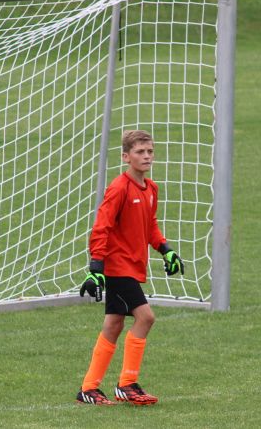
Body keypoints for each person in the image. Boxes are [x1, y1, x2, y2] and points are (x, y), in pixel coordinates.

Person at [76, 130, 184, 406]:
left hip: (132, 266)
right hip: (117, 267)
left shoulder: (151, 189)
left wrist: (165, 249)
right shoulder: (119, 188)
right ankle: (127, 384)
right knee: (146, 317)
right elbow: (101, 226)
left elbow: (150, 225)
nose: (147, 156)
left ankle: (88, 389)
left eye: (150, 151)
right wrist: (96, 266)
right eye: (140, 152)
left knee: (113, 325)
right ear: (126, 157)